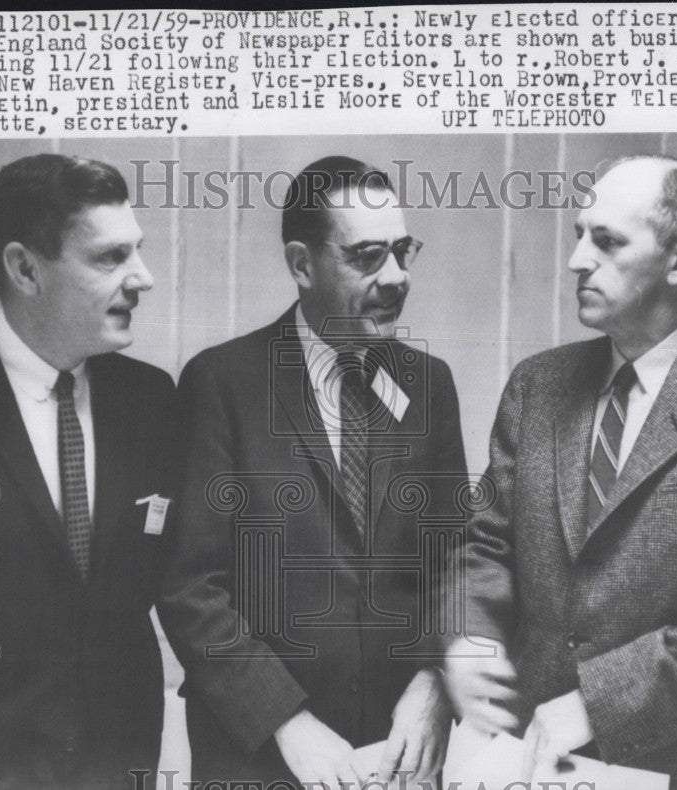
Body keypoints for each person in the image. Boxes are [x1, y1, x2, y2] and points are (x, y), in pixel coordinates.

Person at [443, 155, 677, 789]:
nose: (576, 260)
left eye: (608, 241)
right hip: (527, 759)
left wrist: (598, 703)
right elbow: (486, 542)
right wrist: (473, 633)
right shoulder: (538, 385)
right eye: (579, 235)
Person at [158, 156, 468, 787]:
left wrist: (437, 681)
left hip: (397, 758)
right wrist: (286, 722)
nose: (397, 277)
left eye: (404, 252)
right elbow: (189, 585)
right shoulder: (222, 383)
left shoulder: (429, 384)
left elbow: (459, 557)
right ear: (301, 264)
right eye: (368, 256)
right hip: (260, 760)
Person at [0, 153, 179, 789]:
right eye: (110, 257)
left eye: (139, 251)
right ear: (24, 268)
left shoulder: (152, 402)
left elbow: (177, 586)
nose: (143, 278)